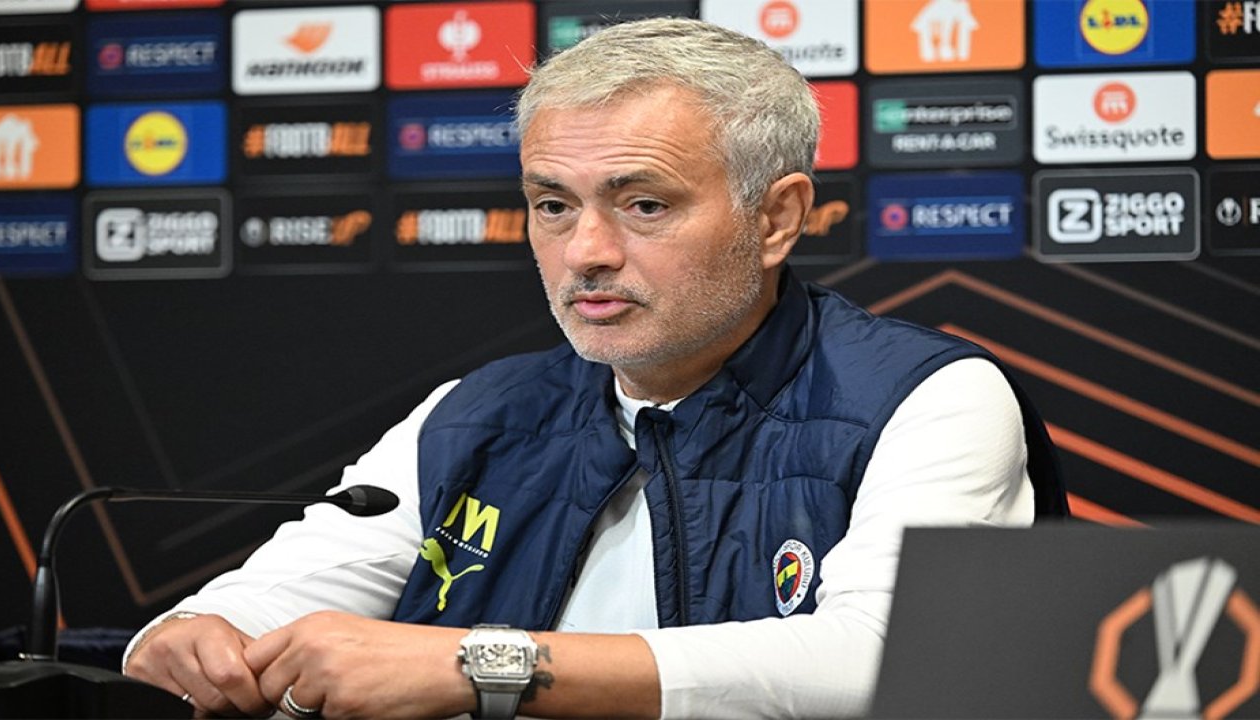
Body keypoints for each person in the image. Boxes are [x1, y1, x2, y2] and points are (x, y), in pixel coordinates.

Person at [123, 17, 1066, 720]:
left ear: (776, 218)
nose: (586, 253)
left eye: (644, 205)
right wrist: (191, 639)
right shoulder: (476, 415)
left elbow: (892, 661)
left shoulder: (927, 399)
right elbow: (250, 607)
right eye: (553, 205)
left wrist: (482, 667)